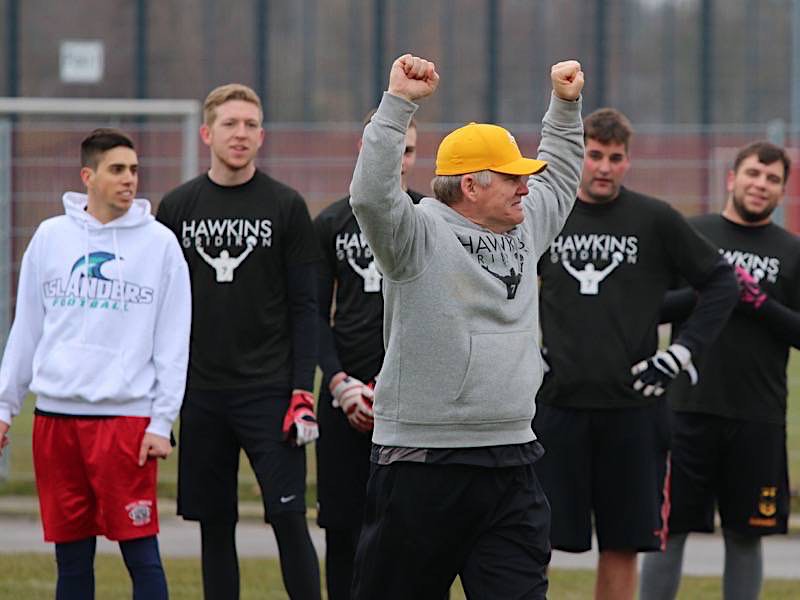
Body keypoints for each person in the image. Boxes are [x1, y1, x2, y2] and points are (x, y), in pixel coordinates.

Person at [348, 53, 585, 599]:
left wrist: (565, 106)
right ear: (471, 186)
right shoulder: (415, 237)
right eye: (511, 179)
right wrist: (397, 103)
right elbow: (370, 196)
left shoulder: (525, 227)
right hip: (422, 463)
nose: (526, 188)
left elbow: (563, 176)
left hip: (513, 459)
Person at [533, 108, 739, 600]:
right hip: (555, 406)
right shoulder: (547, 212)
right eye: (594, 155)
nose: (603, 167)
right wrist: (526, 349)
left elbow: (721, 282)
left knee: (623, 544)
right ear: (579, 155)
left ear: (628, 162)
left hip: (633, 410)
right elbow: (505, 281)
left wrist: (681, 354)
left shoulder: (655, 219)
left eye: (615, 157)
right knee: (531, 539)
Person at [0, 128, 191, 599]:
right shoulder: (50, 238)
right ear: (88, 176)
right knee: (71, 557)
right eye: (117, 170)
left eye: (134, 170)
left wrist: (161, 420)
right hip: (56, 421)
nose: (130, 180)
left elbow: (173, 341)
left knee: (141, 554)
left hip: (125, 424)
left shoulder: (161, 246)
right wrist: (5, 407)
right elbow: (26, 330)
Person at [156, 84, 321, 600]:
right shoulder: (177, 208)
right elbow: (158, 309)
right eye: (230, 124)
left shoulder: (287, 206)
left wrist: (301, 389)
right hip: (202, 392)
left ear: (262, 135)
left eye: (251, 125)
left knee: (289, 518)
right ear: (207, 133)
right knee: (215, 526)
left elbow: (306, 307)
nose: (241, 134)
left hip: (269, 391)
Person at [639, 141, 800, 600]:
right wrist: (712, 290)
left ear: (782, 190)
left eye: (772, 179)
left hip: (758, 417)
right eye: (753, 174)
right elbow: (650, 308)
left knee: (746, 535)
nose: (760, 185)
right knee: (668, 532)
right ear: (731, 178)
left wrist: (760, 303)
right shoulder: (694, 235)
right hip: (686, 411)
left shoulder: (791, 252)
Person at [314, 110, 422, 599]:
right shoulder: (332, 222)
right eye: (391, 147)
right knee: (343, 529)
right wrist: (341, 385)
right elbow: (311, 315)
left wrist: (394, 384)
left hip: (415, 399)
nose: (399, 161)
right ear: (365, 149)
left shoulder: (430, 218)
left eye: (410, 150)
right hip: (345, 398)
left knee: (413, 531)